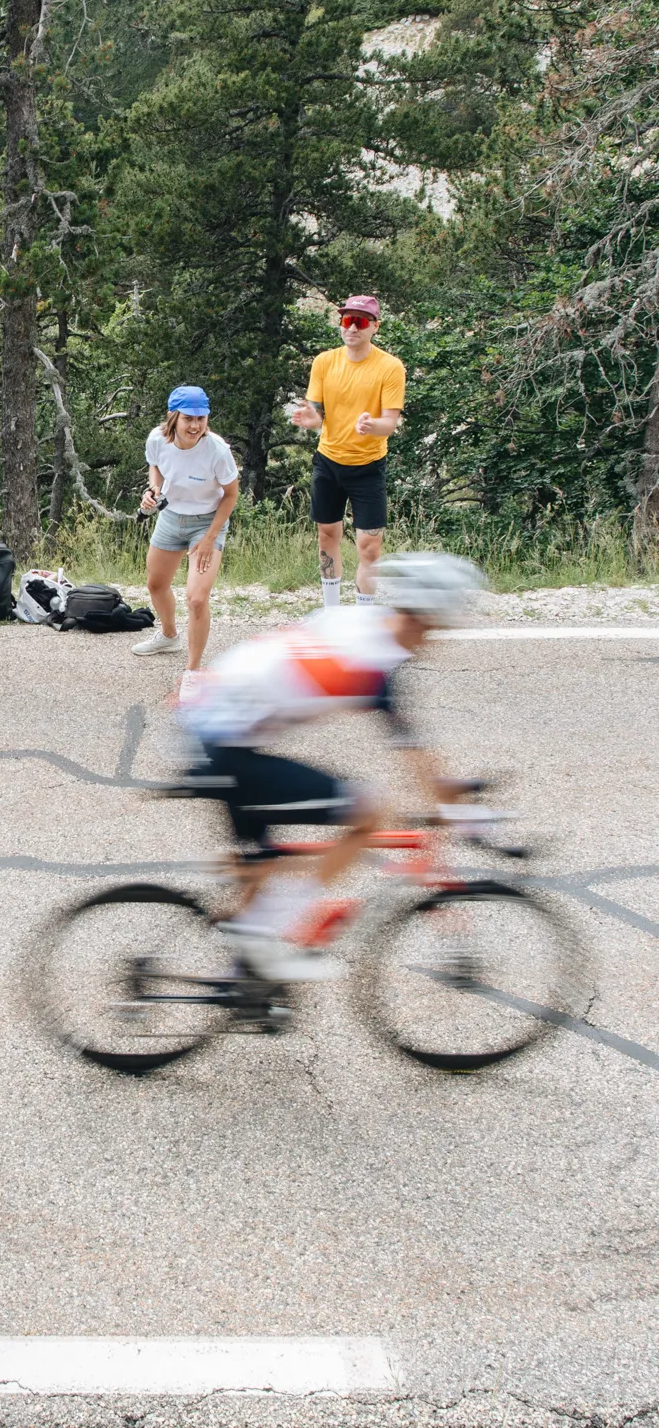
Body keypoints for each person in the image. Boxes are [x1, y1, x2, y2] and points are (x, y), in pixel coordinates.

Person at [176, 552, 485, 984]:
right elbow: (411, 750)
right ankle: (272, 936)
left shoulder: (356, 622)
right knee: (369, 813)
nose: (435, 638)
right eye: (436, 627)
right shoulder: (371, 659)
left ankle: (242, 977)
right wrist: (463, 813)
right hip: (223, 745)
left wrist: (447, 794)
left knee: (261, 868)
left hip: (208, 729)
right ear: (424, 616)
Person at [289, 294, 406, 608]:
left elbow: (390, 422)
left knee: (370, 546)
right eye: (346, 320)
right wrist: (311, 420)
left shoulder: (390, 367)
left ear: (374, 327)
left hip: (368, 465)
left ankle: (364, 616)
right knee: (327, 534)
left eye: (360, 321)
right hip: (328, 462)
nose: (352, 327)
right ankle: (331, 612)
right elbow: (315, 413)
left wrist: (372, 425)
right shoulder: (325, 362)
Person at [134, 386, 240, 672]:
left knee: (196, 598)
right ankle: (169, 636)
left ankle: (193, 672)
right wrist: (153, 489)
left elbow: (231, 495)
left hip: (207, 522)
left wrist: (209, 538)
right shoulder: (157, 439)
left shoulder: (216, 450)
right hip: (171, 517)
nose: (195, 426)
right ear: (173, 417)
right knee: (156, 585)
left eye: (201, 419)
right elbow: (155, 466)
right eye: (188, 419)